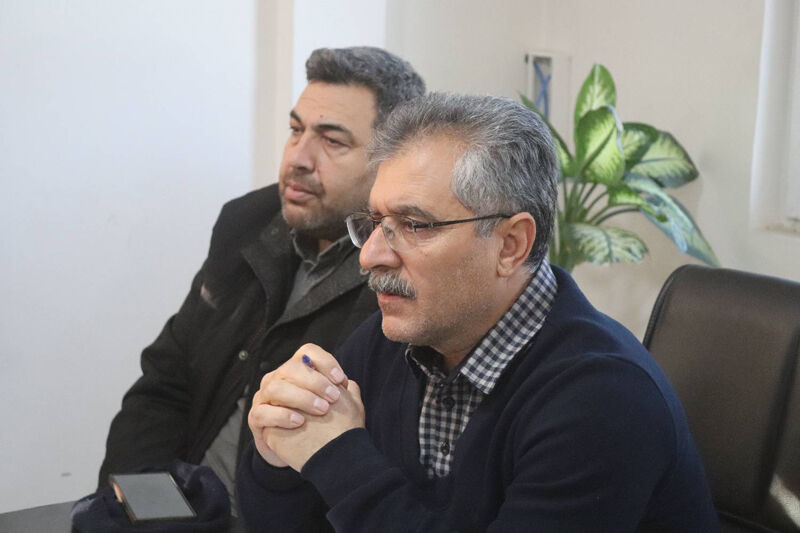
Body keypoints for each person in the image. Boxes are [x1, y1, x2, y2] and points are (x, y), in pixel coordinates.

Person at [237, 93, 720, 531]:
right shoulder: (390, 339)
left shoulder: (603, 398)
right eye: (376, 222)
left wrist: (338, 455)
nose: (370, 255)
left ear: (511, 244)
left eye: (414, 225)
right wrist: (278, 453)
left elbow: (344, 474)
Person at [98, 47, 426, 508]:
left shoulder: (404, 274)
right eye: (296, 130)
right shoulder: (247, 223)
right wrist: (143, 506)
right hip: (184, 505)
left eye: (332, 141)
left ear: (390, 162)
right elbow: (166, 383)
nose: (298, 158)